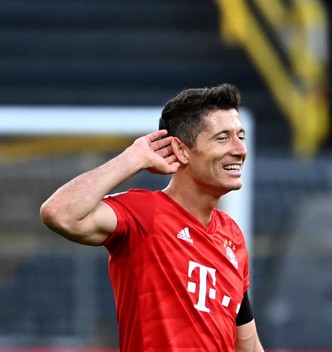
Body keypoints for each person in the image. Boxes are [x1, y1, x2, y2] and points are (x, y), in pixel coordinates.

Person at [39, 83, 265, 352]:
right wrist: (132, 159)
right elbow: (59, 213)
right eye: (223, 138)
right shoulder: (144, 214)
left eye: (241, 136)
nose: (240, 149)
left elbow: (247, 345)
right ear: (181, 150)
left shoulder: (232, 235)